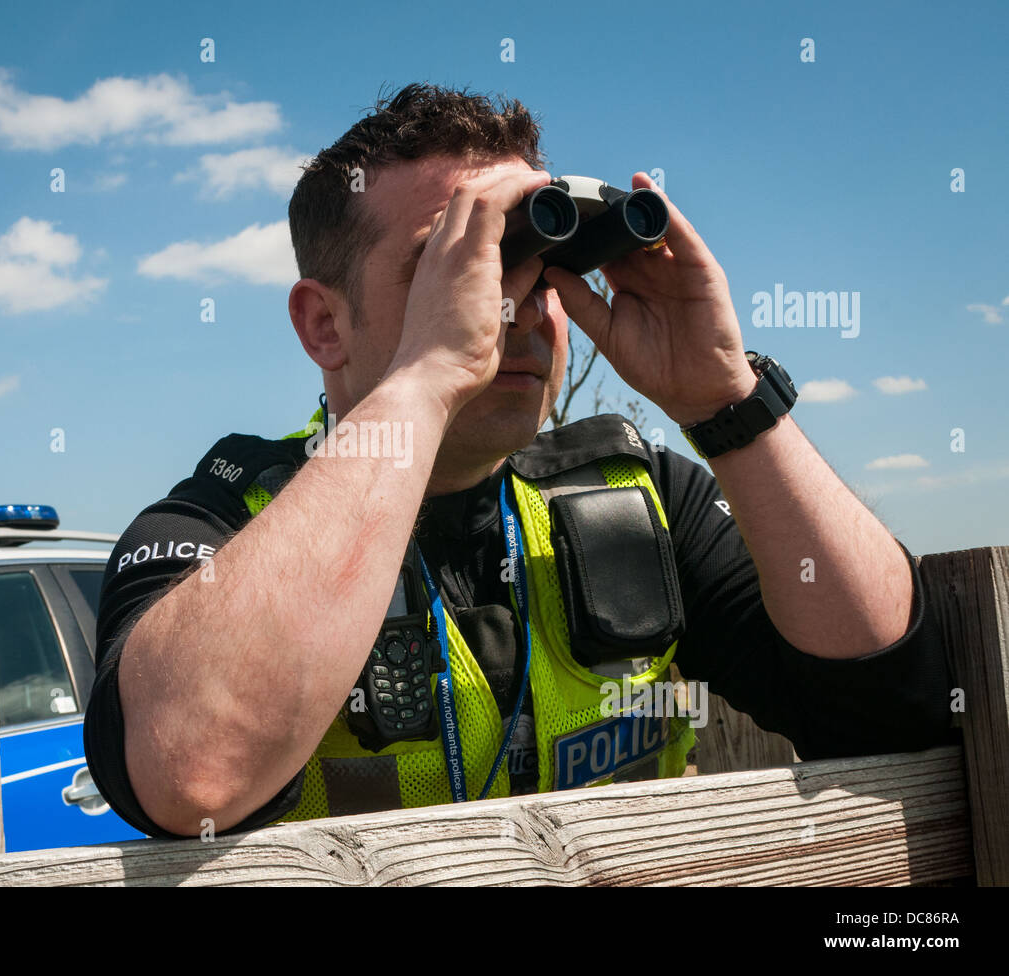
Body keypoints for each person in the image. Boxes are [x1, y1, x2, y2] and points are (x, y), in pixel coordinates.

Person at [83, 83, 953, 839]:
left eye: (539, 267)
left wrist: (728, 404)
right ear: (324, 325)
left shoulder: (636, 498)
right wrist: (428, 379)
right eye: (455, 265)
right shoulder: (220, 522)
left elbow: (894, 699)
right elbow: (187, 772)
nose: (515, 306)